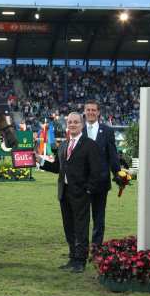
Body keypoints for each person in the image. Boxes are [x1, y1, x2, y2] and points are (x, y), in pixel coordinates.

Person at [36, 112, 101, 273]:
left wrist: (88, 189)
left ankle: (80, 261)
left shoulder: (90, 145)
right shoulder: (64, 145)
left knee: (81, 228)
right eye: (70, 122)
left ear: (82, 124)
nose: (72, 124)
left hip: (81, 194)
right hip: (64, 193)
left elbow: (96, 171)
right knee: (69, 227)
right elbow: (58, 167)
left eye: (76, 122)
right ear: (67, 124)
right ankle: (72, 258)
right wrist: (40, 160)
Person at [83, 100, 123, 248]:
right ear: (85, 112)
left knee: (99, 218)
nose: (91, 112)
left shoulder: (107, 131)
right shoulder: (78, 130)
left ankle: (96, 248)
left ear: (98, 112)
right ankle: (81, 247)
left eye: (94, 110)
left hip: (101, 182)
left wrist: (118, 174)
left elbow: (112, 155)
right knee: (82, 217)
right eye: (88, 110)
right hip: (82, 183)